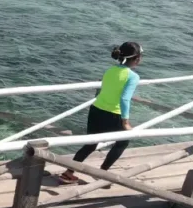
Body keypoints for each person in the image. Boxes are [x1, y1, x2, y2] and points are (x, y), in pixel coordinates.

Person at [59, 42, 143, 184]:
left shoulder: (110, 70)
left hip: (96, 110)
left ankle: (68, 172)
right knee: (122, 142)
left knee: (90, 143)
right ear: (137, 59)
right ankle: (102, 173)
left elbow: (102, 90)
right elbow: (124, 99)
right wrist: (125, 121)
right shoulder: (133, 76)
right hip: (113, 114)